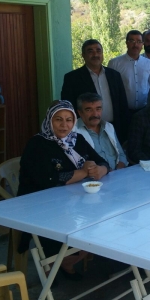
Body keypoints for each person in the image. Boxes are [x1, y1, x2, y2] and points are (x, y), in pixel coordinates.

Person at [17, 100, 109, 278]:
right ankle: (57, 259)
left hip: (71, 198)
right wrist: (83, 172)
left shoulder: (77, 139)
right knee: (78, 216)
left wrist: (100, 170)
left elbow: (102, 161)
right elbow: (49, 179)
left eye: (68, 119)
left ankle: (69, 258)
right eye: (58, 119)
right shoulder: (38, 144)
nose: (64, 125)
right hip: (38, 203)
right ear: (49, 121)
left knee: (102, 216)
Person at [61, 39, 129, 144]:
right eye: (90, 51)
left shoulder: (114, 75)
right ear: (83, 55)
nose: (95, 54)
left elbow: (122, 104)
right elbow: (69, 107)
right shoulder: (72, 78)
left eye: (98, 51)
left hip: (114, 128)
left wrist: (124, 132)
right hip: (87, 131)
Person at [108, 30, 150, 118]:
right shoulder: (114, 63)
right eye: (132, 41)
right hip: (122, 112)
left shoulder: (148, 64)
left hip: (143, 111)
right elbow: (109, 89)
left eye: (139, 41)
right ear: (126, 43)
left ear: (142, 44)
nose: (135, 45)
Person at [76, 92, 128, 170]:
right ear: (80, 112)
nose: (95, 114)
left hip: (117, 174)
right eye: (89, 110)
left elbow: (121, 155)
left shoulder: (109, 127)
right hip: (94, 179)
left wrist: (118, 170)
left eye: (98, 109)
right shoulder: (74, 131)